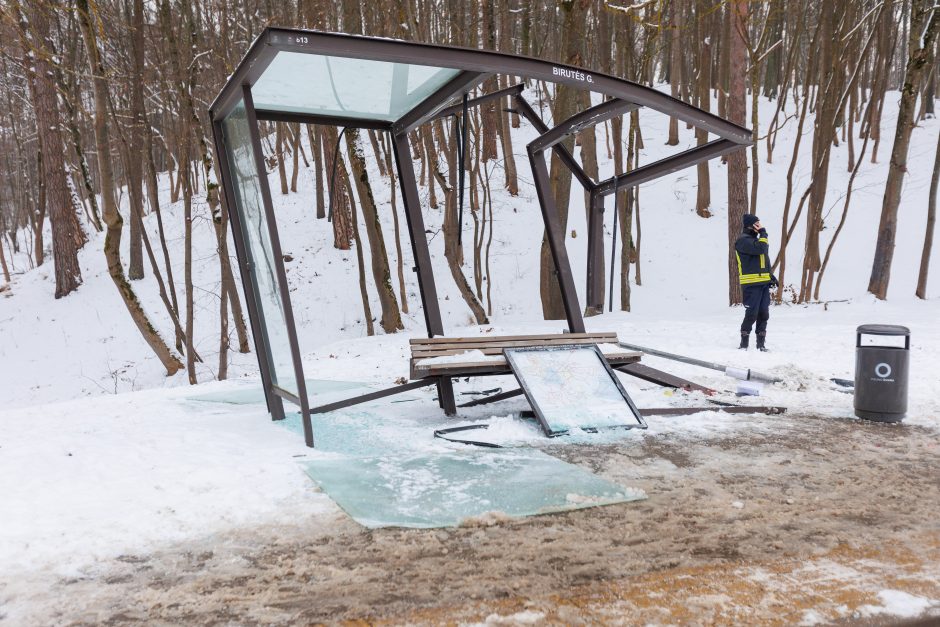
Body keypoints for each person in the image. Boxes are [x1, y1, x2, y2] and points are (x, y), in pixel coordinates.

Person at [734, 214, 778, 351]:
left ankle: (761, 344)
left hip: (763, 283)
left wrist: (770, 276)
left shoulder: (757, 241)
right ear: (751, 225)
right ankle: (744, 344)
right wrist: (763, 233)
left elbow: (764, 260)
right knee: (752, 314)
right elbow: (761, 248)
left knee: (764, 313)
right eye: (757, 223)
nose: (760, 226)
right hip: (751, 285)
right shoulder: (743, 241)